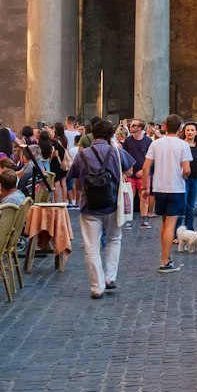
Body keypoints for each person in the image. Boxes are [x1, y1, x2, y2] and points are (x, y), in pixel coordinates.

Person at [72, 121, 127, 297]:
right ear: (111, 135)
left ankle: (97, 287)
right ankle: (110, 277)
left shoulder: (82, 155)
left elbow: (76, 181)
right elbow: (132, 170)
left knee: (91, 247)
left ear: (92, 134)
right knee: (114, 239)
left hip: (89, 205)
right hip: (112, 204)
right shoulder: (116, 152)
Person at [144, 115, 193, 274]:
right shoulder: (183, 145)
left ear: (165, 126)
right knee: (171, 225)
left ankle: (166, 257)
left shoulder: (155, 143)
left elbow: (145, 168)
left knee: (164, 224)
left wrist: (146, 188)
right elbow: (186, 170)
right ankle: (164, 261)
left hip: (159, 188)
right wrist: (184, 176)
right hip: (176, 188)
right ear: (180, 129)